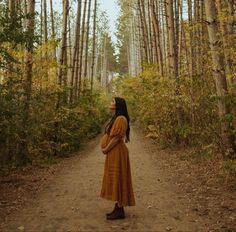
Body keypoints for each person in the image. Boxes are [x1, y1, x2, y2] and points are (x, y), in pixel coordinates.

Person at [100, 97, 136, 220]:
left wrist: (106, 149)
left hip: (117, 152)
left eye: (113, 102)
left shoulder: (121, 119)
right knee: (116, 177)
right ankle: (118, 207)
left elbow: (116, 138)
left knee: (118, 177)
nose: (110, 103)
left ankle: (120, 210)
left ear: (118, 105)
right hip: (114, 153)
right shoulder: (117, 118)